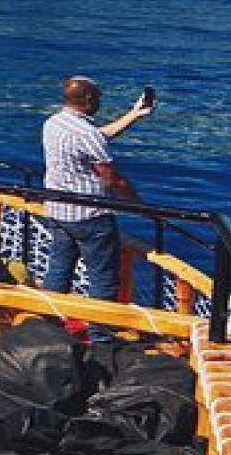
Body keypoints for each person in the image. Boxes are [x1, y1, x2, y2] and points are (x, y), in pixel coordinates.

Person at [41, 76, 150, 310]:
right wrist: (140, 206)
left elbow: (95, 138)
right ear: (89, 99)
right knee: (103, 279)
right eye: (98, 98)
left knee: (58, 270)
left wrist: (134, 114)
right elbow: (112, 179)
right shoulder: (86, 134)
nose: (100, 103)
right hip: (90, 217)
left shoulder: (54, 123)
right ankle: (101, 331)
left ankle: (47, 319)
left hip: (58, 211)